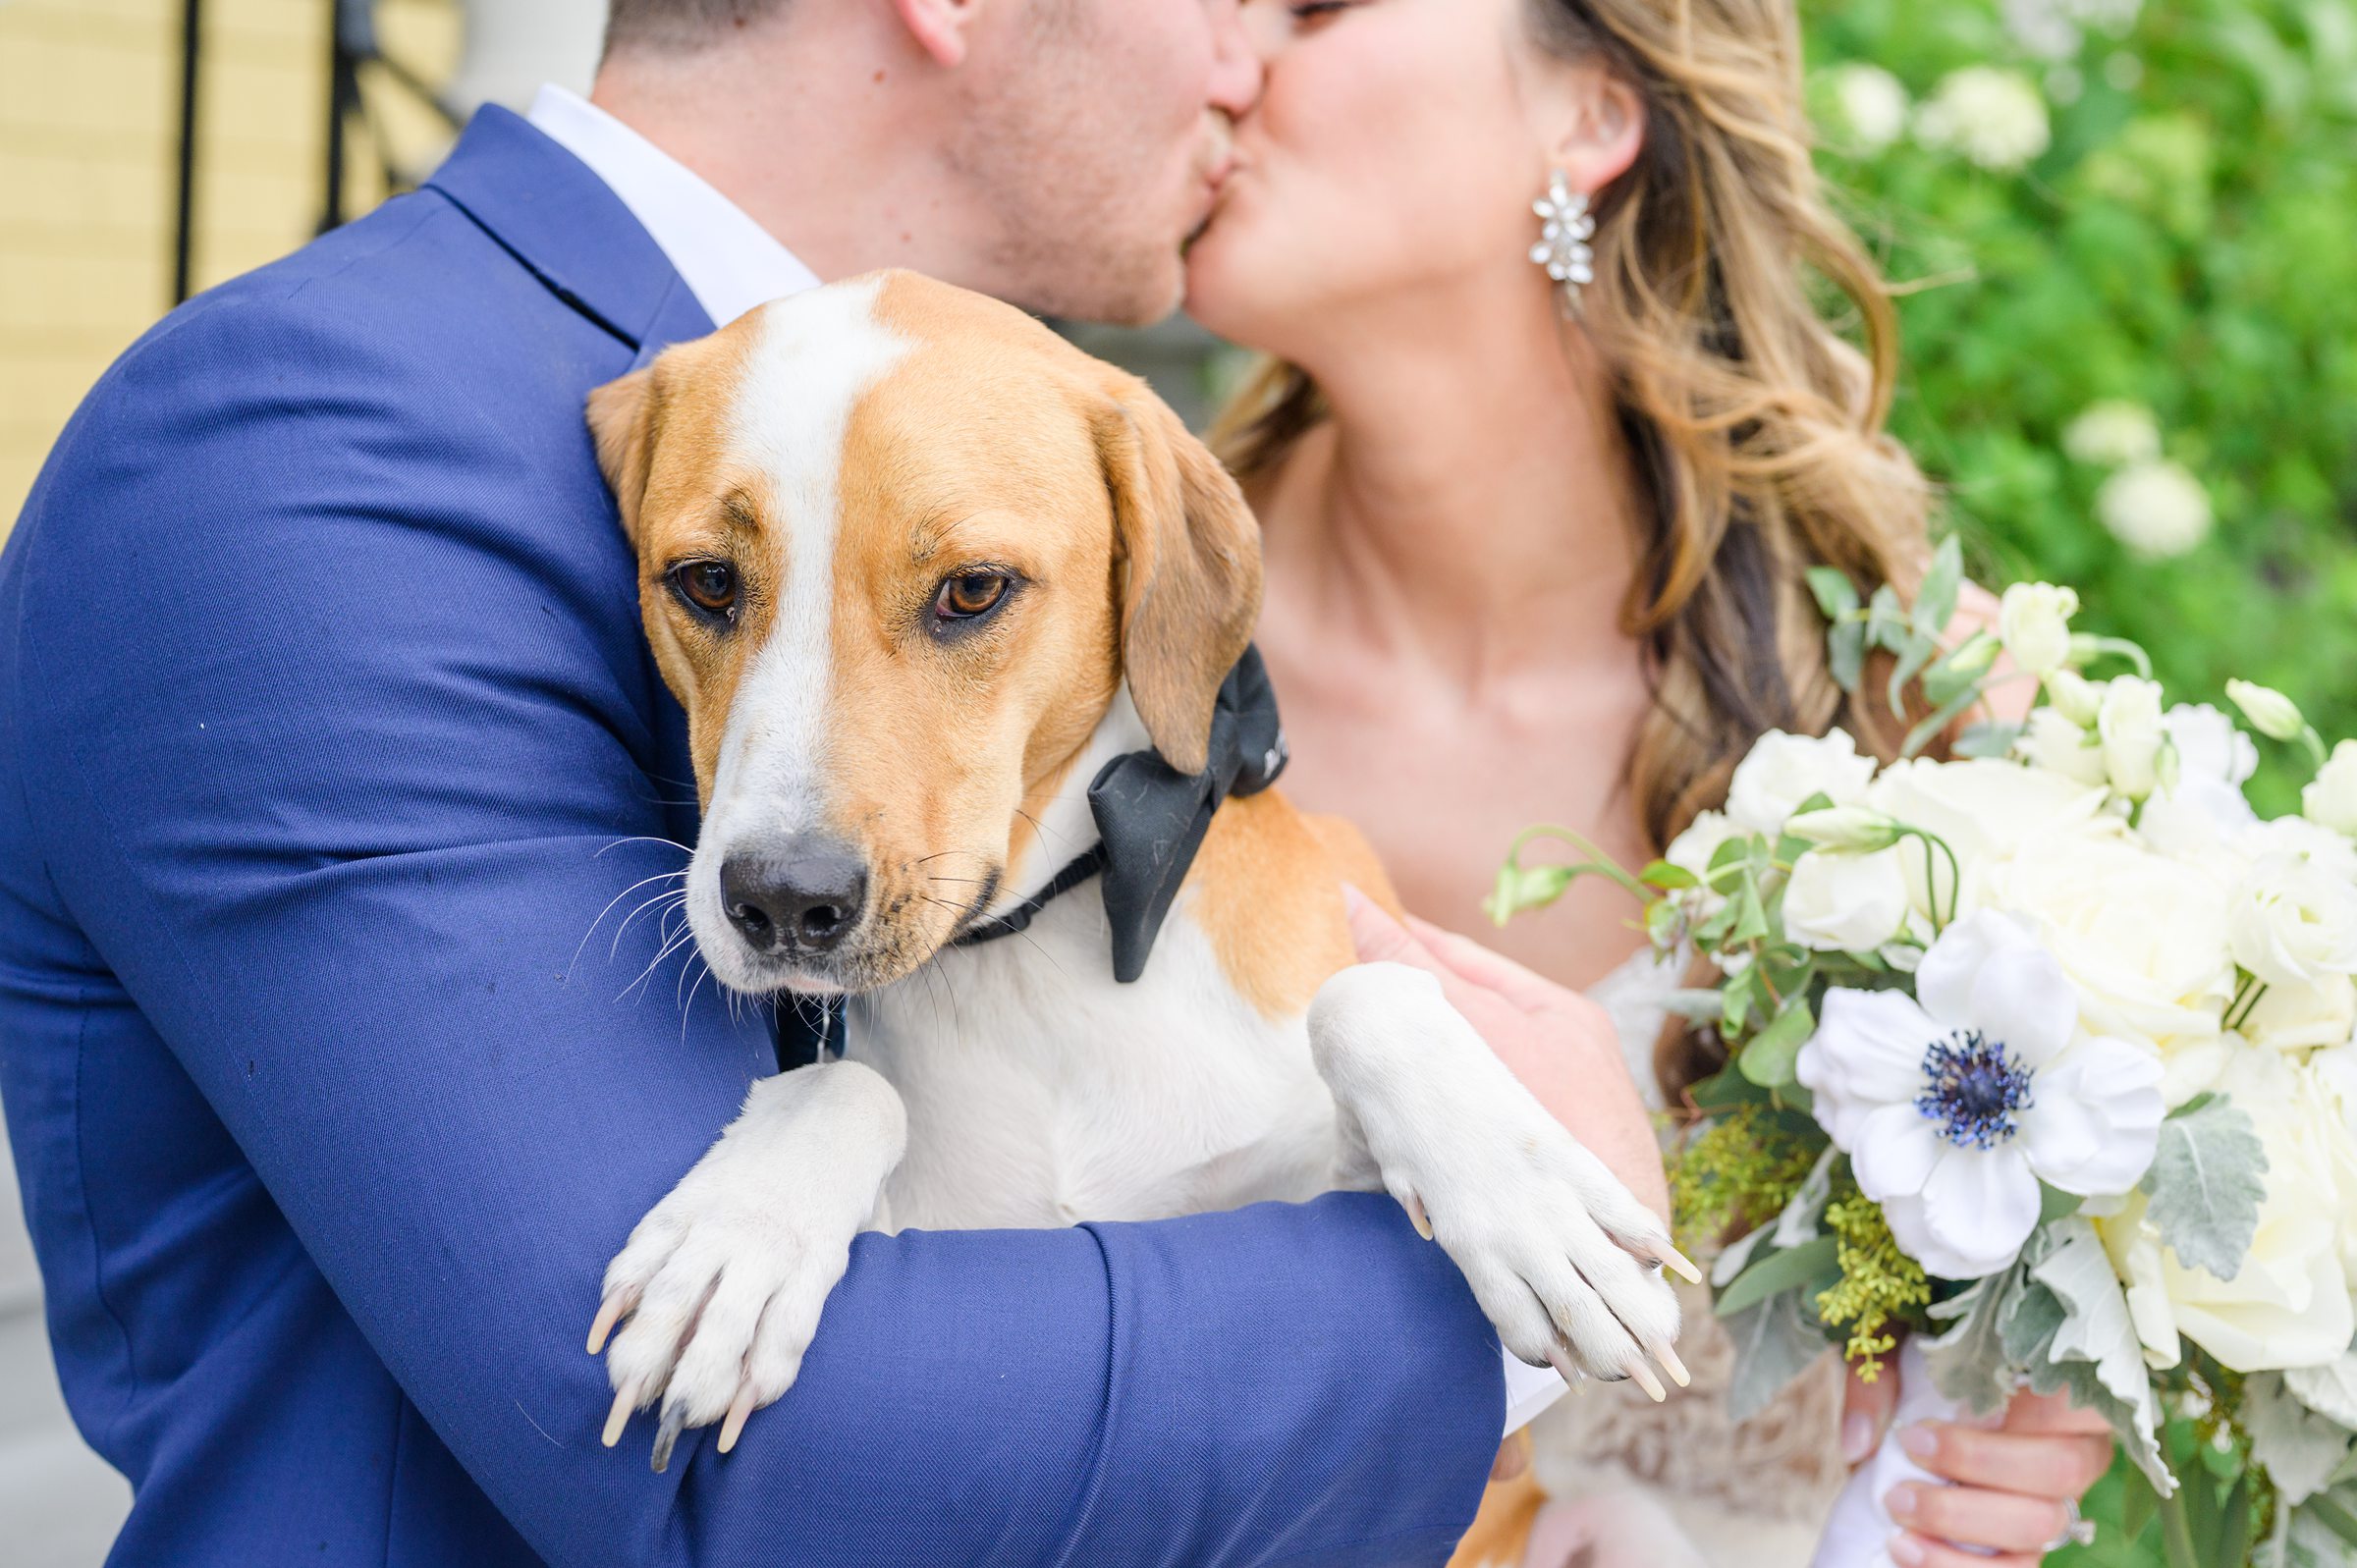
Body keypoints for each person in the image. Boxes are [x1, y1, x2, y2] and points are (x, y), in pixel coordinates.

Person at [0, 2, 1656, 1563]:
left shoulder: (1005, 424)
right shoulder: (300, 448)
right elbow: (711, 1460)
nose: (1255, 55)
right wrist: (1492, 1324)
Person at [1181, 1, 2116, 1565]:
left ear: (1593, 113)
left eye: (1317, 5)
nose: (1222, 48)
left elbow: (2065, 1255)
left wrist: (2026, 1419)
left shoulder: (1921, 708)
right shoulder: (1111, 646)